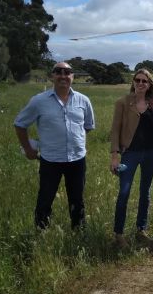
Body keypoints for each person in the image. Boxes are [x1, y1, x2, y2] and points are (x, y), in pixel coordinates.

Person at [15, 62, 95, 229]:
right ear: (52, 76)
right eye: (58, 72)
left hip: (77, 159)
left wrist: (73, 140)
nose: (63, 76)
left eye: (67, 72)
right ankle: (41, 232)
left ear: (73, 77)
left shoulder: (83, 100)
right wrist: (28, 149)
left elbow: (87, 126)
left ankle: (79, 233)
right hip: (50, 160)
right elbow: (20, 124)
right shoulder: (39, 101)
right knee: (45, 198)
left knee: (77, 199)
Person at [109, 69, 153, 248]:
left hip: (150, 153)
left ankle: (141, 229)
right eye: (137, 80)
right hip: (129, 154)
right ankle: (119, 234)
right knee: (124, 192)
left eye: (144, 81)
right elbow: (115, 130)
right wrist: (115, 155)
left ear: (149, 85)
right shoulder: (123, 103)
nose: (140, 84)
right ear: (133, 82)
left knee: (145, 192)